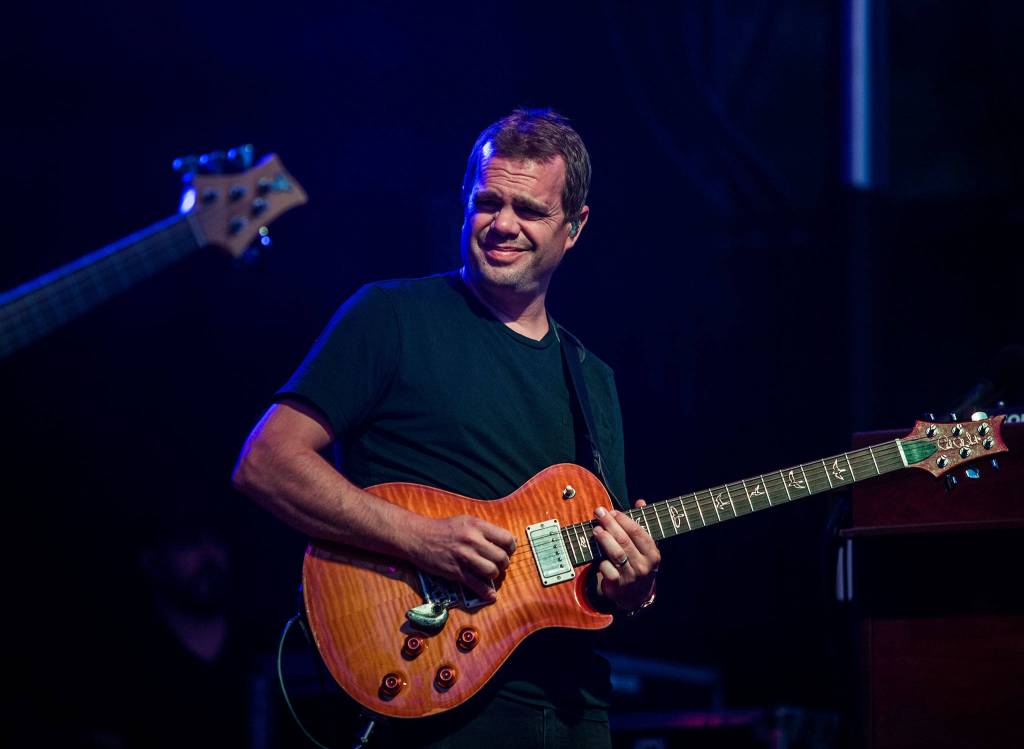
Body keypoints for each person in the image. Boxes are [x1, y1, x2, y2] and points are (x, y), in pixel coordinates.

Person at [232, 108, 660, 748]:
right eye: (488, 202)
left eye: (530, 211)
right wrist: (420, 539)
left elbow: (598, 575)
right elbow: (266, 462)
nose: (504, 225)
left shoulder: (591, 379)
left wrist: (634, 587)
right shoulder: (391, 317)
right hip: (434, 702)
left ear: (574, 228)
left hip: (573, 715)